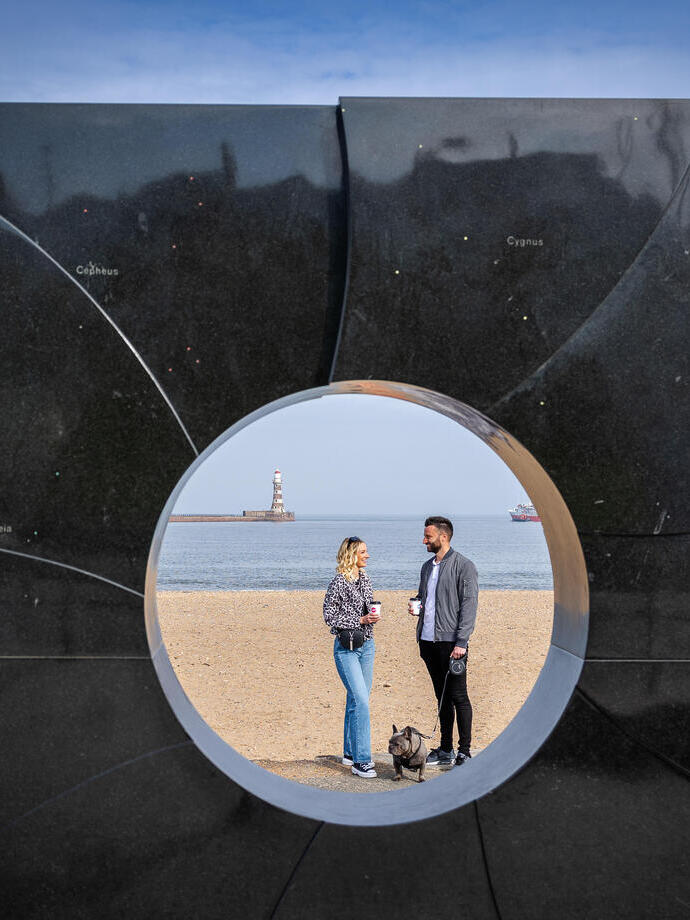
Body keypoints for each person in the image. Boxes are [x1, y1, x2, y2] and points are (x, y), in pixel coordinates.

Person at [409, 516, 477, 767]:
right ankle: (446, 748)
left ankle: (465, 751)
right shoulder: (427, 567)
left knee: (459, 696)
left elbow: (469, 606)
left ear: (443, 537)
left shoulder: (464, 566)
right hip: (427, 641)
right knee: (442, 697)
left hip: (452, 644)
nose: (424, 540)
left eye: (428, 536)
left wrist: (462, 641)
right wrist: (416, 604)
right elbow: (425, 596)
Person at [323, 536, 380, 778]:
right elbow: (329, 616)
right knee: (362, 701)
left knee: (356, 699)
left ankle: (348, 752)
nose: (367, 555)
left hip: (367, 646)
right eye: (363, 552)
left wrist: (372, 615)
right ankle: (362, 761)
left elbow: (366, 609)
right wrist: (359, 620)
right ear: (352, 555)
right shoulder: (338, 582)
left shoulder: (365, 579)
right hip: (346, 648)